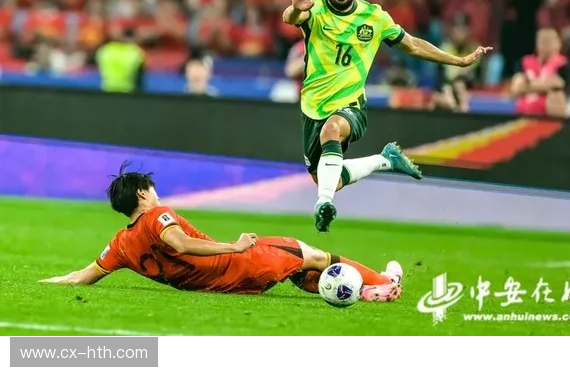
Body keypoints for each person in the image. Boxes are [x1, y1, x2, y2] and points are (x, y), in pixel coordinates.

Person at [282, 0, 492, 232]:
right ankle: (386, 159)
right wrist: (294, 9)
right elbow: (291, 17)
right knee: (327, 178)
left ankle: (323, 205)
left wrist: (459, 60)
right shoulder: (315, 9)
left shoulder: (375, 17)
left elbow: (413, 45)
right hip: (312, 106)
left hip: (351, 104)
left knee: (331, 131)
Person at [39, 166, 403, 302]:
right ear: (141, 193)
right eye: (151, 188)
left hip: (218, 286)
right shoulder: (158, 215)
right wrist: (234, 245)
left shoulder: (120, 244)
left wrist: (47, 282)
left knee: (299, 270)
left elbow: (82, 277)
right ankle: (385, 282)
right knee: (312, 254)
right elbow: (180, 243)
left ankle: (364, 291)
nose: (156, 192)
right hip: (240, 265)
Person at [510, 27, 570, 119]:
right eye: (542, 39)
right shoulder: (524, 62)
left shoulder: (563, 64)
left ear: (559, 43)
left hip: (549, 117)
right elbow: (517, 87)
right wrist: (545, 86)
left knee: (557, 95)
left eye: (550, 40)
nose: (546, 43)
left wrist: (528, 84)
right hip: (523, 115)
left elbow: (558, 84)